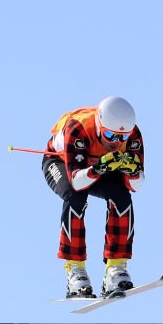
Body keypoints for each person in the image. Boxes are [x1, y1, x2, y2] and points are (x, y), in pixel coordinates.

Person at [42, 96, 145, 297]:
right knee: (75, 196)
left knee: (121, 196)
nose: (115, 143)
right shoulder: (79, 129)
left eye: (121, 137)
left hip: (99, 167)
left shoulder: (133, 136)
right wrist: (99, 168)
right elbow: (77, 182)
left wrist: (132, 172)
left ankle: (116, 268)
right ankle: (75, 269)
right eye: (109, 135)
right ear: (99, 125)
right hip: (61, 163)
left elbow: (136, 186)